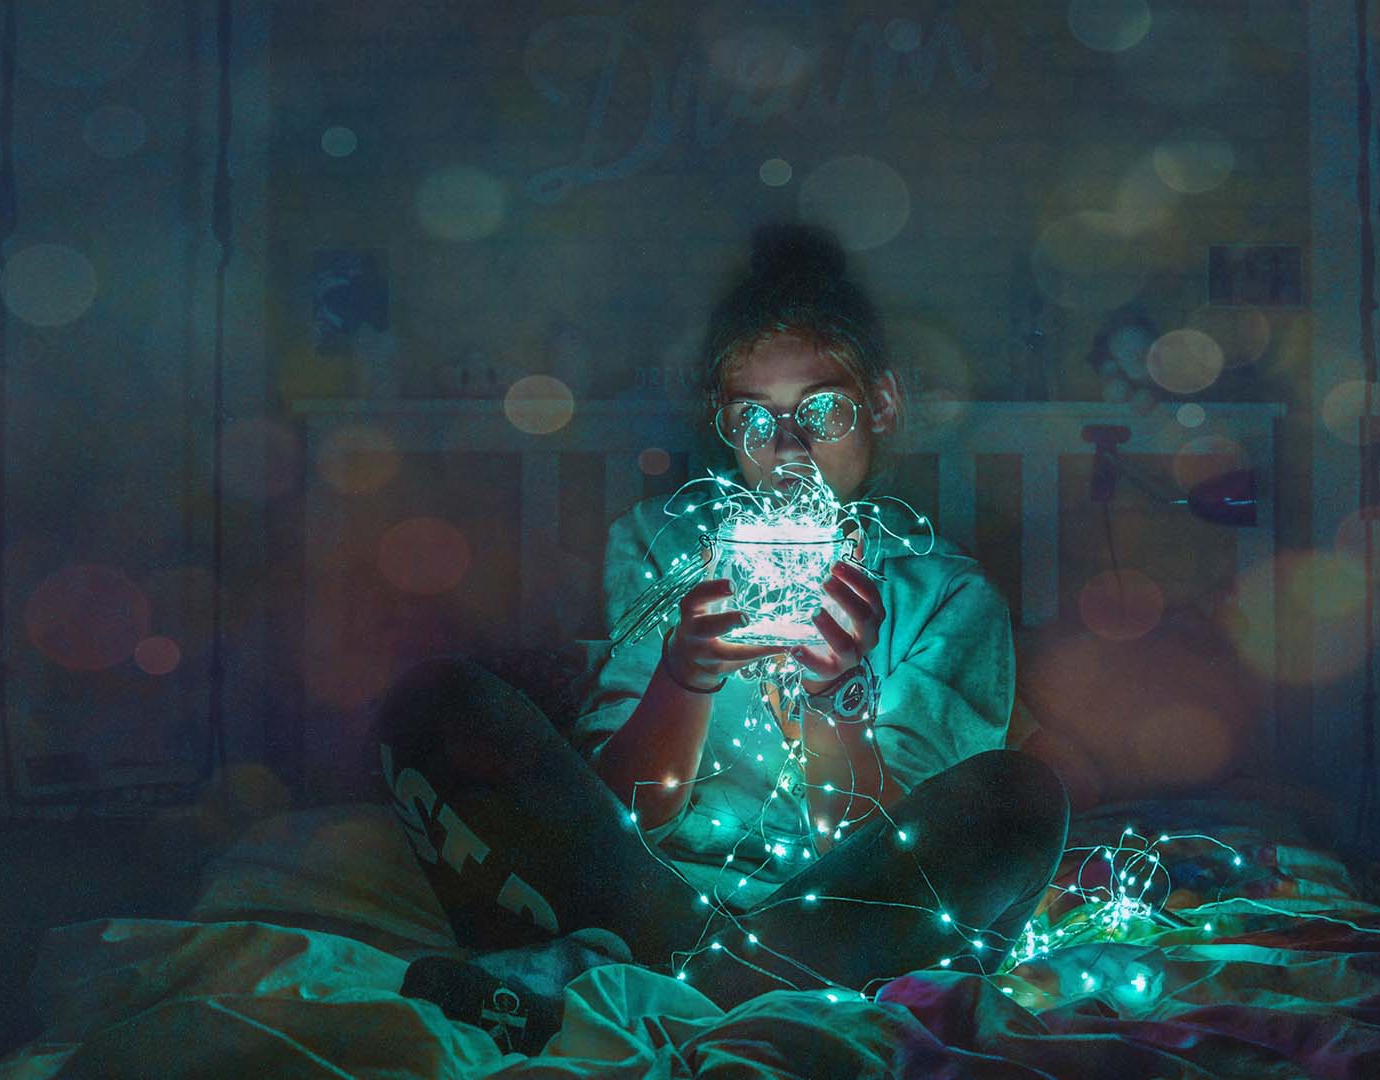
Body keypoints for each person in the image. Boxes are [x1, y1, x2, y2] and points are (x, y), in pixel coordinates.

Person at [372, 224, 1068, 1053]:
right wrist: (685, 675)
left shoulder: (946, 595)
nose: (789, 448)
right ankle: (714, 981)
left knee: (1021, 800)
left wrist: (835, 700)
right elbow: (636, 814)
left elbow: (881, 850)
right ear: (724, 423)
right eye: (755, 418)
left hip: (837, 910)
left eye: (823, 410)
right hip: (648, 887)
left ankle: (639, 983)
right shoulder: (664, 548)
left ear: (882, 404)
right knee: (433, 705)